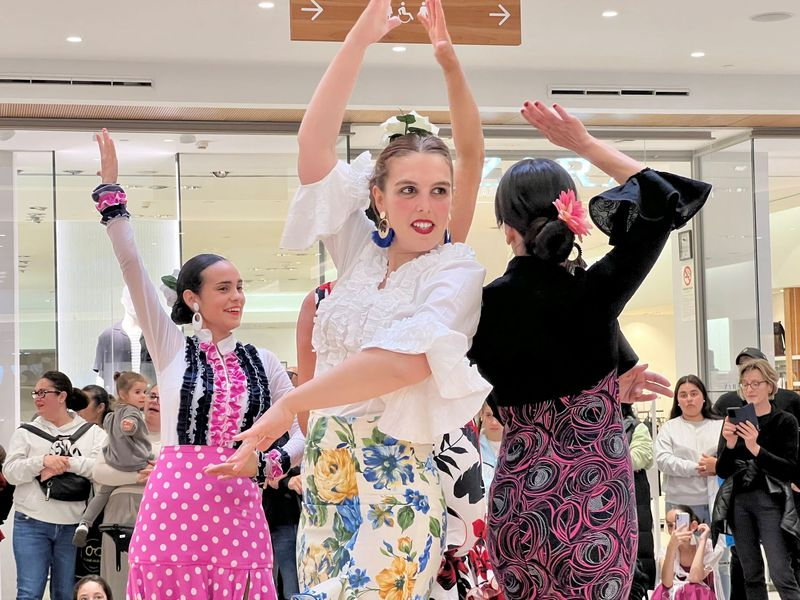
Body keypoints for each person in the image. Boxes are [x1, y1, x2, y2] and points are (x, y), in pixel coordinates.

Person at [212, 2, 492, 598]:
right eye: (409, 190)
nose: (426, 205)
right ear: (379, 197)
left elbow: (401, 362)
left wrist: (449, 65)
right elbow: (313, 148)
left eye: (439, 192)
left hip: (396, 476)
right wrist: (359, 38)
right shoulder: (359, 253)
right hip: (325, 469)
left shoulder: (455, 271)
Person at [467, 100, 711, 598]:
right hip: (595, 501)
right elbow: (665, 199)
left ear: (507, 229)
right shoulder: (594, 293)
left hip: (519, 504)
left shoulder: (477, 308)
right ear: (571, 214)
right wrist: (582, 144)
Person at [91, 129, 304, 600]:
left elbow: (299, 432)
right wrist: (111, 197)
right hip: (174, 501)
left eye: (241, 286)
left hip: (240, 505)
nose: (237, 297)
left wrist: (263, 463)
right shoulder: (171, 347)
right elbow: (131, 265)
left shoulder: (264, 361)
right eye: (224, 288)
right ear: (193, 298)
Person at [3, 370, 106, 600]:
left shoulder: (92, 433)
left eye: (43, 392)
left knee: (66, 593)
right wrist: (42, 462)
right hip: (31, 523)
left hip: (72, 526)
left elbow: (100, 470)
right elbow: (10, 473)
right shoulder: (26, 433)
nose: (37, 397)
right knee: (29, 593)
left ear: (62, 396)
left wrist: (66, 463)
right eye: (35, 393)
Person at [713, 359, 800, 600]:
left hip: (772, 502)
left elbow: (788, 469)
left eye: (756, 383)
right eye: (745, 384)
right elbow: (722, 470)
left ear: (770, 386)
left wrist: (755, 448)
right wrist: (730, 444)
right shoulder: (735, 420)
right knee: (750, 573)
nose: (749, 388)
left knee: (781, 571)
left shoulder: (785, 421)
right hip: (740, 502)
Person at [93, 384, 162, 599]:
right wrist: (142, 476)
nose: (154, 401)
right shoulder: (119, 431)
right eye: (151, 396)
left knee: (158, 582)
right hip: (120, 513)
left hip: (162, 515)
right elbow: (99, 472)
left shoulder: (179, 438)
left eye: (161, 397)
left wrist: (154, 476)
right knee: (118, 581)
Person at [73, 371, 152, 547]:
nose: (144, 397)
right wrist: (129, 426)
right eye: (138, 392)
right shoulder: (132, 412)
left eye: (144, 392)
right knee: (155, 461)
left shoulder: (111, 416)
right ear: (124, 394)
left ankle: (84, 523)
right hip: (137, 462)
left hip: (115, 461)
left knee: (102, 494)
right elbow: (130, 423)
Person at [655, 375, 723, 524]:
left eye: (694, 393)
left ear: (703, 397)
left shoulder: (720, 426)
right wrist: (697, 468)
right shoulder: (669, 428)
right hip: (679, 502)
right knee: (683, 546)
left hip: (715, 500)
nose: (689, 399)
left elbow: (730, 458)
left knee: (714, 547)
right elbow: (663, 461)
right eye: (683, 395)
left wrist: (717, 465)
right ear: (677, 401)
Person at [713, 347, 800, 423]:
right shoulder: (726, 401)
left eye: (756, 383)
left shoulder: (790, 399)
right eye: (743, 366)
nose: (748, 368)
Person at [622, 403, 656, 597]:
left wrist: (604, 458)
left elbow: (641, 457)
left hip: (635, 496)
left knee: (638, 553)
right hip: (602, 499)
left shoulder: (637, 427)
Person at [654, 506, 724, 599]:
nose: (674, 530)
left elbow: (695, 577)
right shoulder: (666, 550)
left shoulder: (708, 547)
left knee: (694, 588)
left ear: (693, 526)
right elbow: (667, 582)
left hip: (699, 596)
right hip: (674, 595)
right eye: (670, 525)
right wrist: (671, 548)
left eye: (679, 523)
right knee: (663, 589)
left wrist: (703, 541)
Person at [479, 400, 502, 494]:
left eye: (498, 416)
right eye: (489, 415)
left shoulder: (518, 448)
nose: (494, 422)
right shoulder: (473, 449)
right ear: (481, 415)